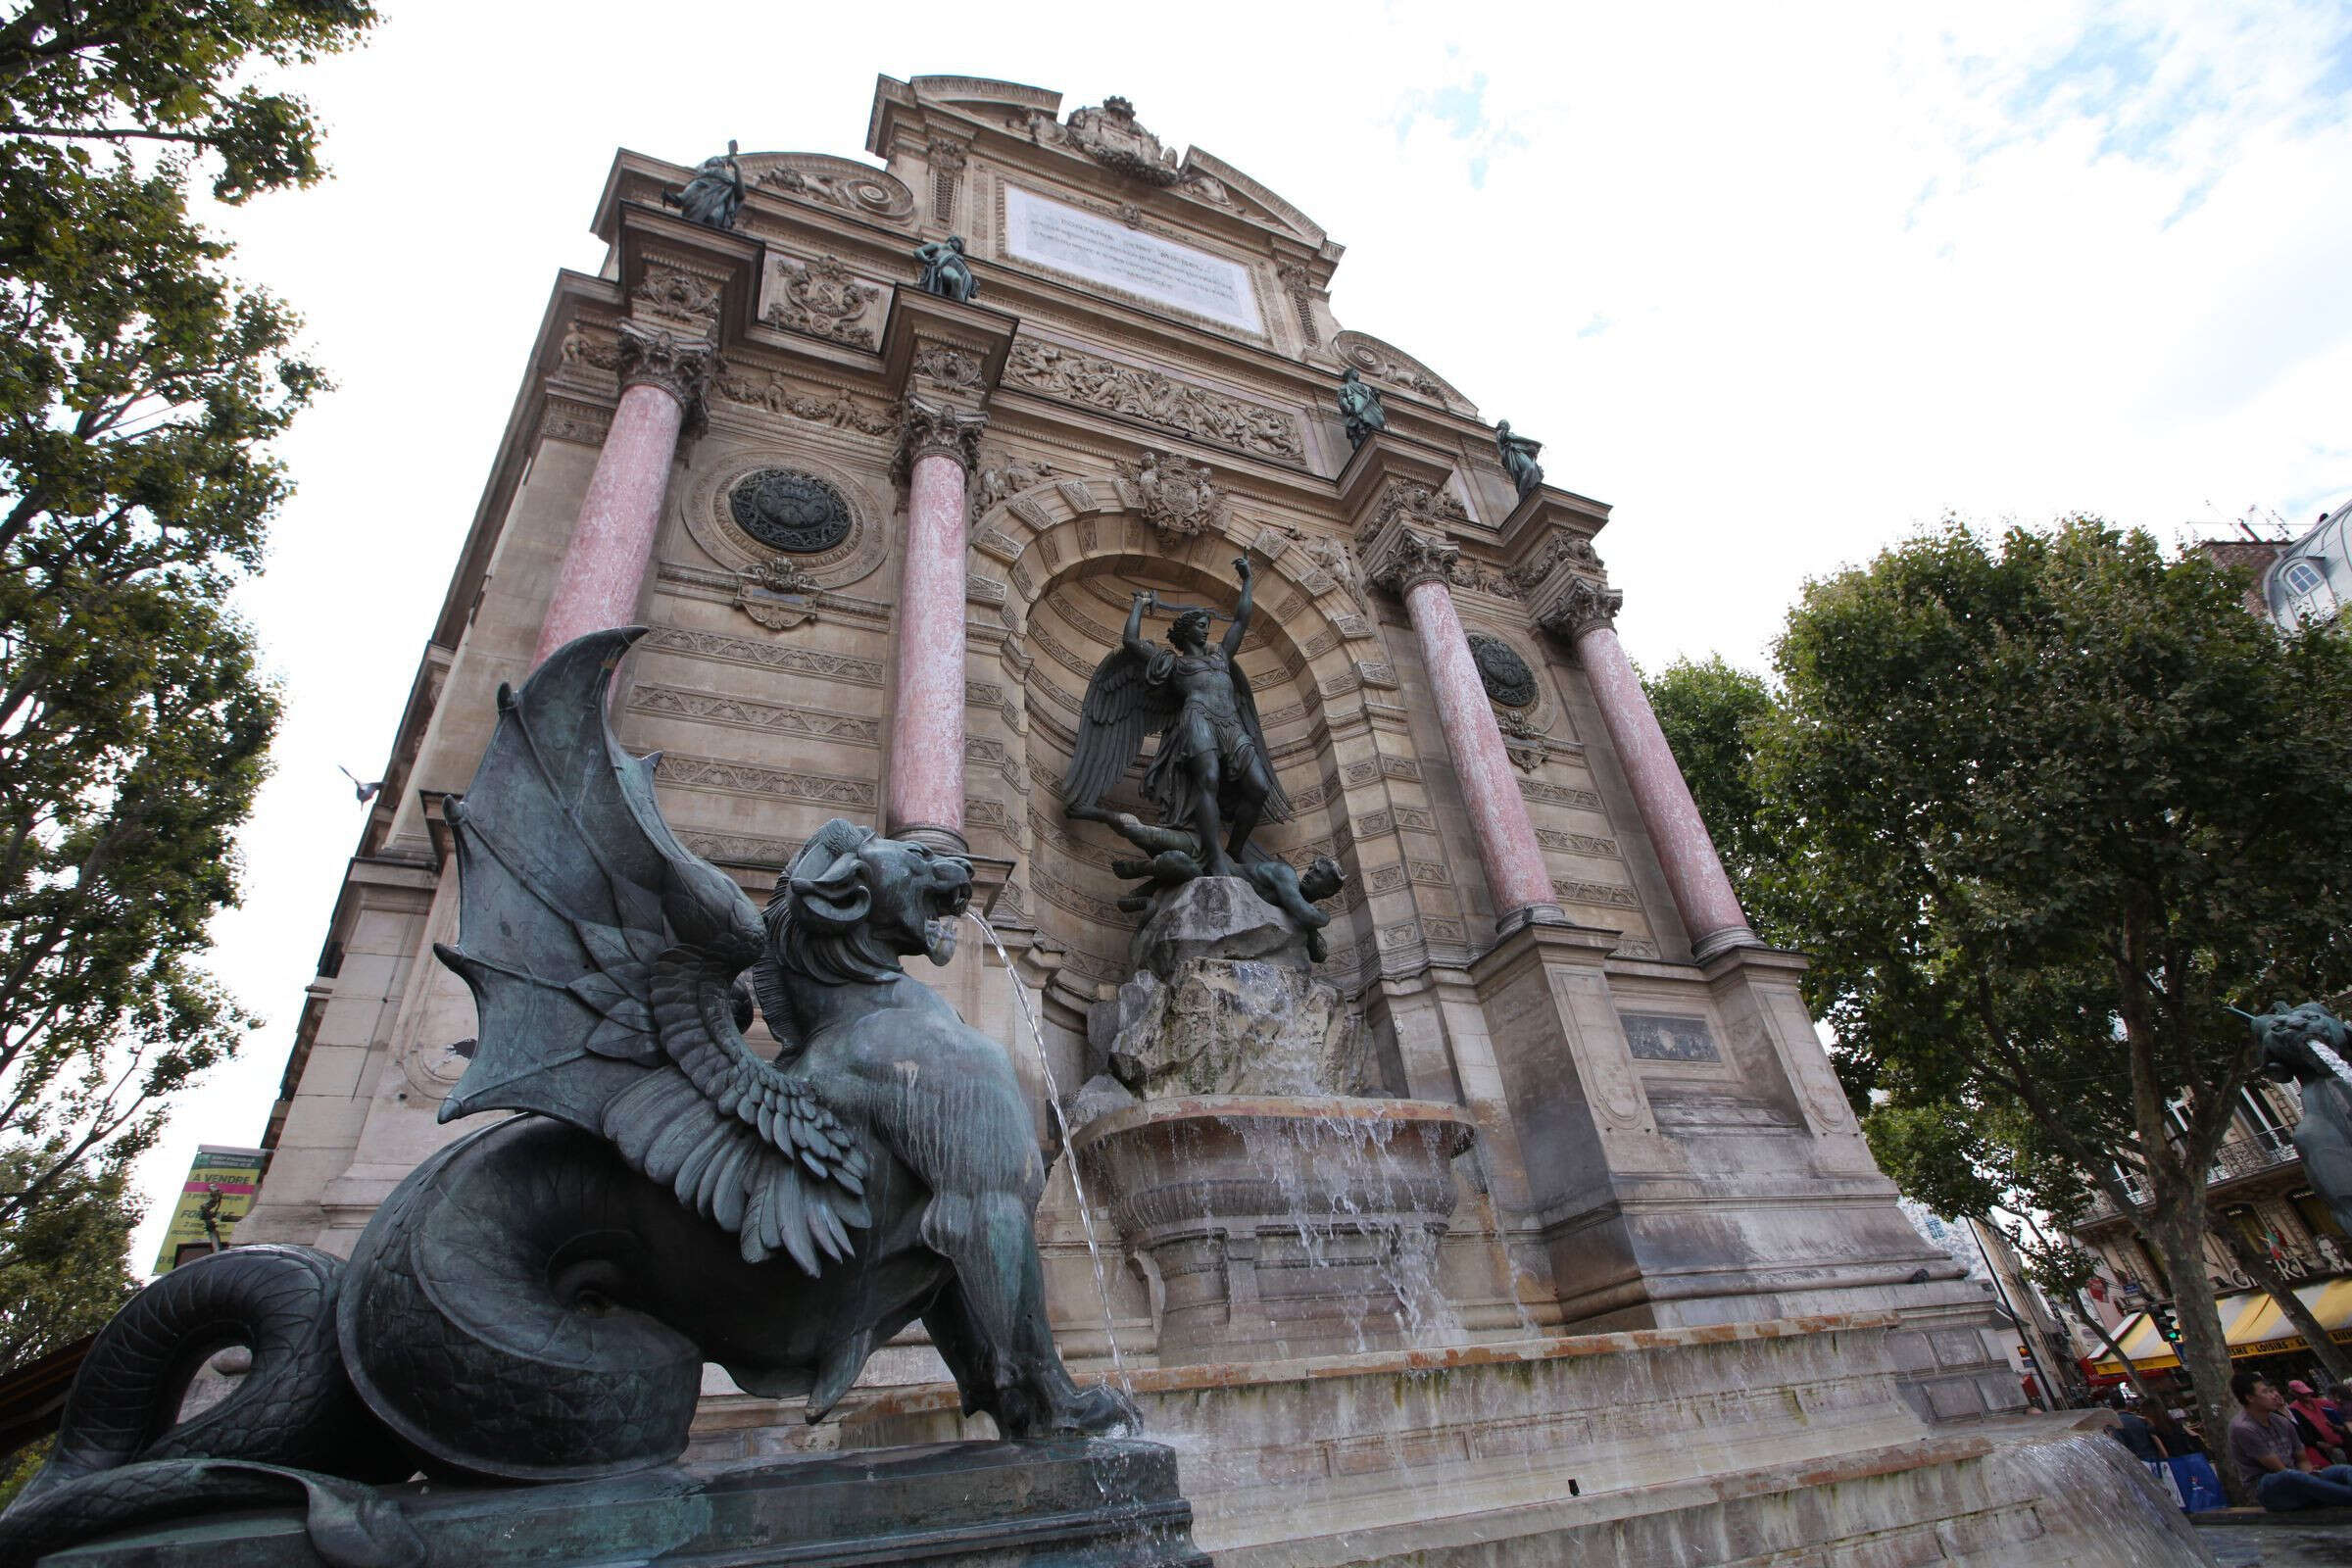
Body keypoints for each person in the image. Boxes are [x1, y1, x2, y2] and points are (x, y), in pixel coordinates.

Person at [2229, 1370, 2352, 1508]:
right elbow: (2280, 1470)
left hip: (2299, 1478)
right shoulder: (2243, 1428)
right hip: (2269, 1488)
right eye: (2266, 1392)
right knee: (2290, 1476)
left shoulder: (2282, 1422)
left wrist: (2311, 1474)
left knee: (2343, 1470)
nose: (2273, 1396)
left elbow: (2302, 1460)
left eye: (2271, 1391)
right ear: (2250, 1398)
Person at [2287, 1379, 2348, 1464]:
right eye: (2301, 1393)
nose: (2306, 1394)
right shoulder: (2293, 1410)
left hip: (2344, 1440)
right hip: (2327, 1449)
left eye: (2306, 1392)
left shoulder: (2322, 1402)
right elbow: (2302, 1434)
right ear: (2294, 1393)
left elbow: (2342, 1413)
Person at [2106, 1391, 2167, 1461]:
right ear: (2125, 1403)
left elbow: (2120, 1449)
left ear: (2111, 1406)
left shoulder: (2114, 1424)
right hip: (2154, 1460)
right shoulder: (2142, 1420)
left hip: (2137, 1463)